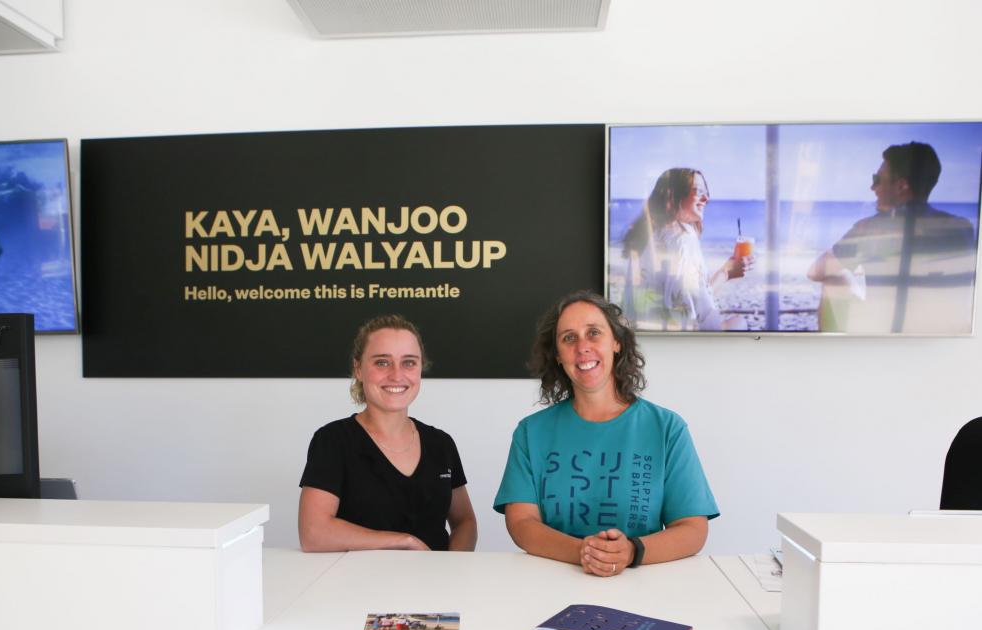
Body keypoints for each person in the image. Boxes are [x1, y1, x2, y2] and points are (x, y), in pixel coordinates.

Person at [494, 291, 719, 576]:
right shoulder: (531, 432)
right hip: (550, 585)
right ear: (558, 356)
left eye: (593, 333)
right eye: (569, 338)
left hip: (644, 587)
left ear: (616, 342)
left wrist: (631, 552)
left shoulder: (667, 428)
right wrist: (584, 553)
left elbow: (693, 529)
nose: (582, 347)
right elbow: (522, 523)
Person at [298, 314, 477, 552]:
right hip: (357, 586)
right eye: (382, 362)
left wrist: (451, 567)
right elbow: (313, 533)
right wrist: (403, 541)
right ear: (358, 369)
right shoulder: (333, 441)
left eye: (409, 362)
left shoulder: (440, 443)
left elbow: (465, 522)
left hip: (434, 586)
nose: (396, 375)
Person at [807, 141, 977, 333]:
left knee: (833, 279)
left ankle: (833, 355)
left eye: (877, 179)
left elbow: (815, 272)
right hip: (939, 337)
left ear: (902, 186)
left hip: (886, 336)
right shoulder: (962, 228)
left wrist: (852, 259)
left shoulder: (872, 228)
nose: (873, 188)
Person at [621, 168, 752, 331]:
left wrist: (725, 273)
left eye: (707, 192)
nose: (707, 198)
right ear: (672, 195)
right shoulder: (682, 240)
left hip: (641, 340)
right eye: (698, 191)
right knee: (739, 322)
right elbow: (698, 322)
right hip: (681, 347)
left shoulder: (647, 236)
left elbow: (684, 301)